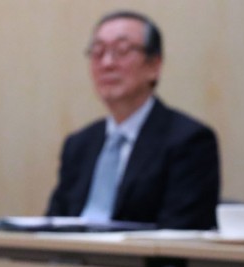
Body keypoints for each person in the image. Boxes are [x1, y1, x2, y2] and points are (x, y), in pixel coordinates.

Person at [46, 11, 220, 230]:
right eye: (98, 52)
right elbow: (53, 223)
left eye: (122, 50)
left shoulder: (189, 141)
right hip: (71, 252)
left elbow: (180, 231)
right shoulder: (79, 144)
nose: (107, 63)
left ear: (154, 66)